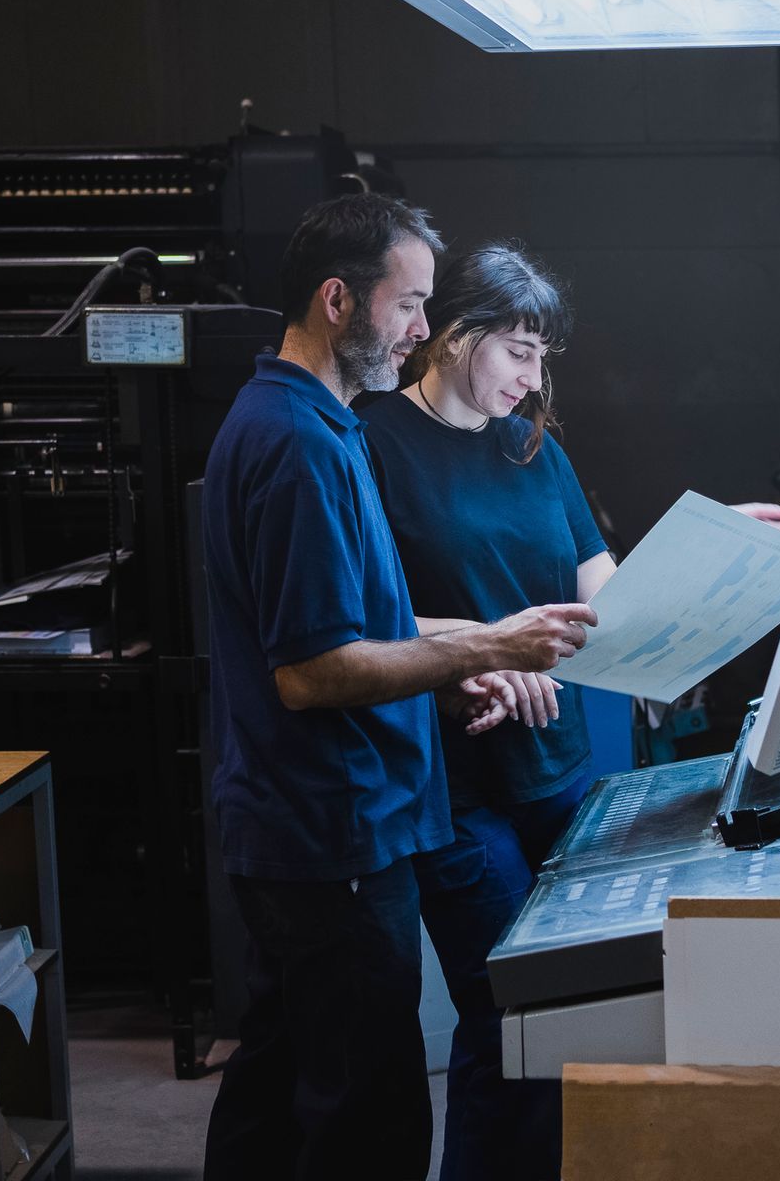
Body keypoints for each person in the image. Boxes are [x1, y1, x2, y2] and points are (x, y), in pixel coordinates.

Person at [361, 242, 780, 1181]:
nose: (532, 374)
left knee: (579, 1020)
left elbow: (610, 603)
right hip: (453, 783)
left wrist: (718, 546)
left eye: (543, 355)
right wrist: (486, 645)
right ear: (453, 331)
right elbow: (360, 613)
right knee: (505, 1020)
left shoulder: (532, 448)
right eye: (518, 349)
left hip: (562, 775)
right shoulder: (368, 440)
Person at [199, 197, 600, 1181]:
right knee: (366, 1122)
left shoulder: (302, 424)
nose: (423, 328)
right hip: (334, 827)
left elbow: (372, 619)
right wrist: (481, 652)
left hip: (325, 825)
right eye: (411, 304)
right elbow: (316, 666)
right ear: (339, 300)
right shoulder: (306, 444)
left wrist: (495, 642)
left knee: (278, 1091)